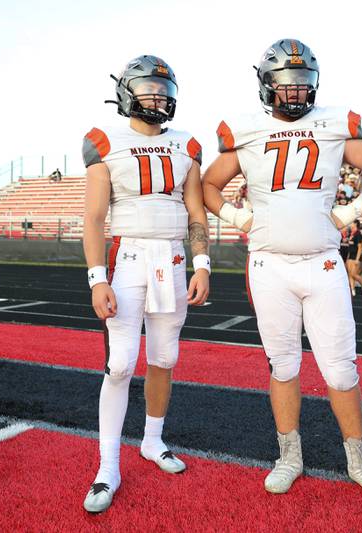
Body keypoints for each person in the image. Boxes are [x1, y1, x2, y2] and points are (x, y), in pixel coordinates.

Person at [202, 39, 362, 501]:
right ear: (265, 85)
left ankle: (360, 461)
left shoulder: (333, 122)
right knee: (284, 366)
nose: (294, 93)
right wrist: (237, 218)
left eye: (302, 84)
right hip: (270, 265)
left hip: (323, 262)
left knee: (341, 371)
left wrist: (352, 212)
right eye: (285, 84)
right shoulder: (245, 129)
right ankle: (289, 456)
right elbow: (210, 184)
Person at [81, 55, 211, 514]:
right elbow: (95, 217)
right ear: (127, 93)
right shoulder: (104, 142)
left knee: (164, 358)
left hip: (174, 259)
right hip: (130, 258)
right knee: (119, 365)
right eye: (149, 89)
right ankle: (107, 466)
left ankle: (152, 441)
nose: (158, 98)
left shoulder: (187, 144)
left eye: (164, 91)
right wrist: (98, 278)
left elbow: (197, 213)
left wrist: (202, 264)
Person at [346, 221, 362, 296]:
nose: (350, 224)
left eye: (351, 223)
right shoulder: (351, 233)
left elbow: (360, 247)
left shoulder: (358, 234)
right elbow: (350, 247)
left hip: (355, 256)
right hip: (350, 256)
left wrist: (357, 259)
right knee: (350, 274)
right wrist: (347, 257)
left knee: (354, 274)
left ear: (355, 224)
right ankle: (352, 290)